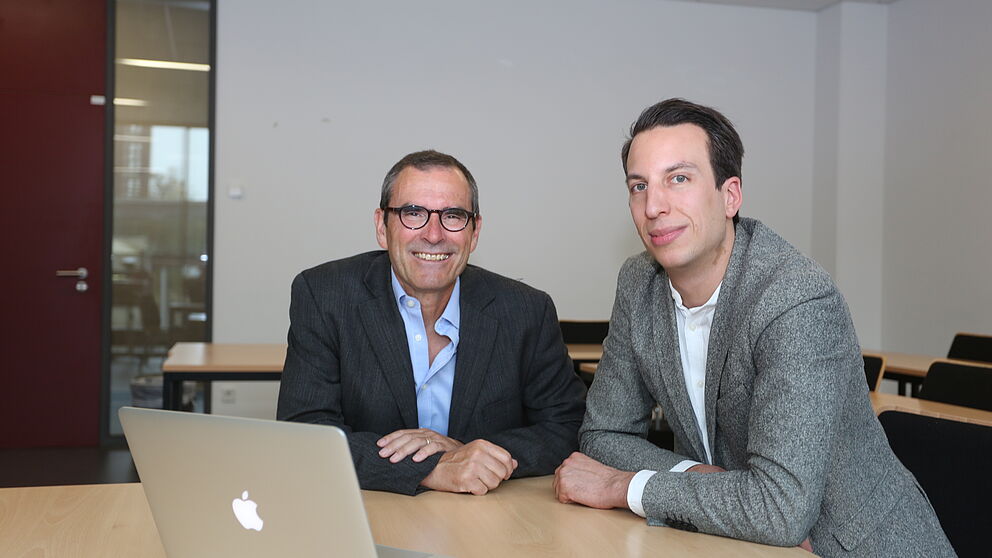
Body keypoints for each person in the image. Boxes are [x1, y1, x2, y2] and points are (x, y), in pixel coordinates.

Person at [553, 99, 954, 556]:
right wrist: (703, 479)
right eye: (638, 186)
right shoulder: (638, 282)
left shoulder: (795, 298)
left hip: (852, 546)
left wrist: (627, 486)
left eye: (678, 179)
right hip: (741, 542)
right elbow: (603, 436)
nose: (654, 206)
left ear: (731, 196)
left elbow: (780, 512)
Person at [278, 149, 586, 496]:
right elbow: (305, 432)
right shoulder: (324, 296)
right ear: (382, 227)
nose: (434, 234)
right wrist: (431, 468)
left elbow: (568, 426)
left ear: (474, 232)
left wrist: (469, 453)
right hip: (369, 512)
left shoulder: (526, 310)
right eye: (413, 213)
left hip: (487, 522)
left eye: (453, 216)